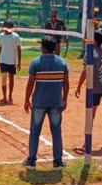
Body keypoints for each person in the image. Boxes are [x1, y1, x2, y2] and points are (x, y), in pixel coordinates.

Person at [22, 36, 69, 170]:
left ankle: (31, 160)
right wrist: (64, 99)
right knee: (56, 132)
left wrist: (26, 100)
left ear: (43, 47)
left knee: (35, 131)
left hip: (39, 102)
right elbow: (66, 83)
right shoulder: (62, 62)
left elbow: (31, 83)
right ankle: (58, 161)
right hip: (56, 102)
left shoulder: (36, 62)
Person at [0, 21, 22, 104]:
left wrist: (19, 62)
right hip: (3, 60)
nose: (5, 28)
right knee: (4, 77)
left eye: (7, 26)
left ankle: (10, 95)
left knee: (11, 78)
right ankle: (4, 96)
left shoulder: (15, 36)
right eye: (4, 26)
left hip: (12, 60)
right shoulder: (1, 36)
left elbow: (19, 50)